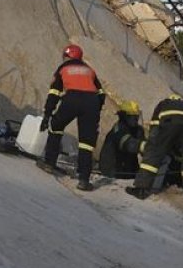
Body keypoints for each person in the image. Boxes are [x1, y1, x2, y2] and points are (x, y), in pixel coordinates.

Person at [37, 44, 106, 191]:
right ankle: (83, 180)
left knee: (56, 127)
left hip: (72, 98)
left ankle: (49, 163)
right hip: (91, 102)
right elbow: (101, 93)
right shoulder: (89, 70)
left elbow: (54, 93)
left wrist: (47, 115)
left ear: (67, 56)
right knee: (86, 142)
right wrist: (95, 111)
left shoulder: (63, 69)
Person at [126, 94, 183, 207]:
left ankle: (141, 189)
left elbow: (155, 131)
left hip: (171, 121)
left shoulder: (164, 104)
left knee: (154, 153)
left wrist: (152, 147)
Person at [97, 100, 144, 179]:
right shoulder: (118, 130)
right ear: (124, 116)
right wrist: (147, 147)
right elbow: (130, 144)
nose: (136, 119)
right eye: (133, 116)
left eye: (137, 116)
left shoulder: (138, 130)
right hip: (113, 172)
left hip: (129, 170)